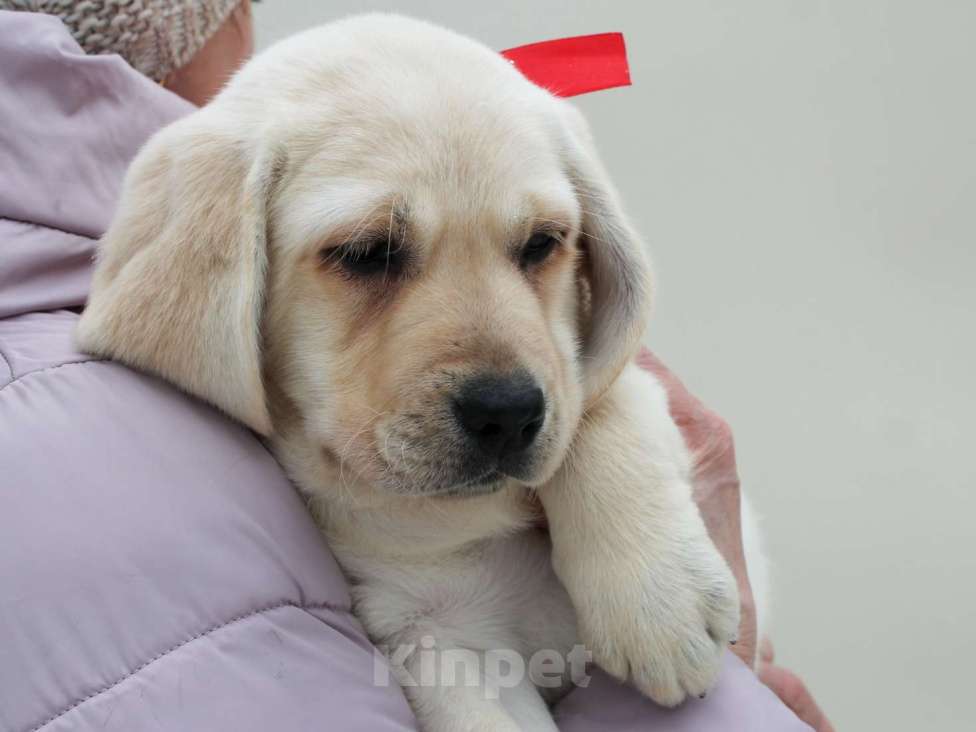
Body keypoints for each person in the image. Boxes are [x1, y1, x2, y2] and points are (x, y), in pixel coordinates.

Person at [0, 2, 832, 730]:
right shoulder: (120, 428)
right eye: (370, 256)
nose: (502, 379)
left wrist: (609, 456)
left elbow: (613, 387)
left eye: (538, 245)